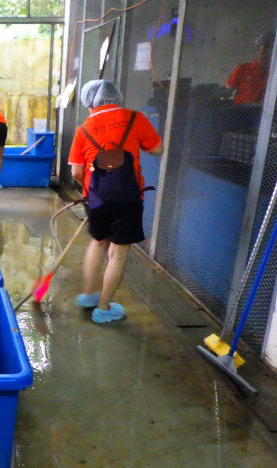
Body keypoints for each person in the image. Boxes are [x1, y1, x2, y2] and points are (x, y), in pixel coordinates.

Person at [68, 80, 163, 323]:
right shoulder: (135, 118)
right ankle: (103, 308)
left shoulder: (83, 128)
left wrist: (89, 190)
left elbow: (76, 173)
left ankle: (89, 295)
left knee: (98, 243)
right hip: (129, 197)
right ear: (117, 98)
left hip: (96, 198)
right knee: (118, 253)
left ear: (90, 104)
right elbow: (157, 149)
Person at [226, 32, 274, 106]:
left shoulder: (276, 74)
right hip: (240, 112)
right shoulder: (242, 69)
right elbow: (227, 91)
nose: (263, 51)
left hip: (264, 113)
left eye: (268, 47)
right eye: (260, 47)